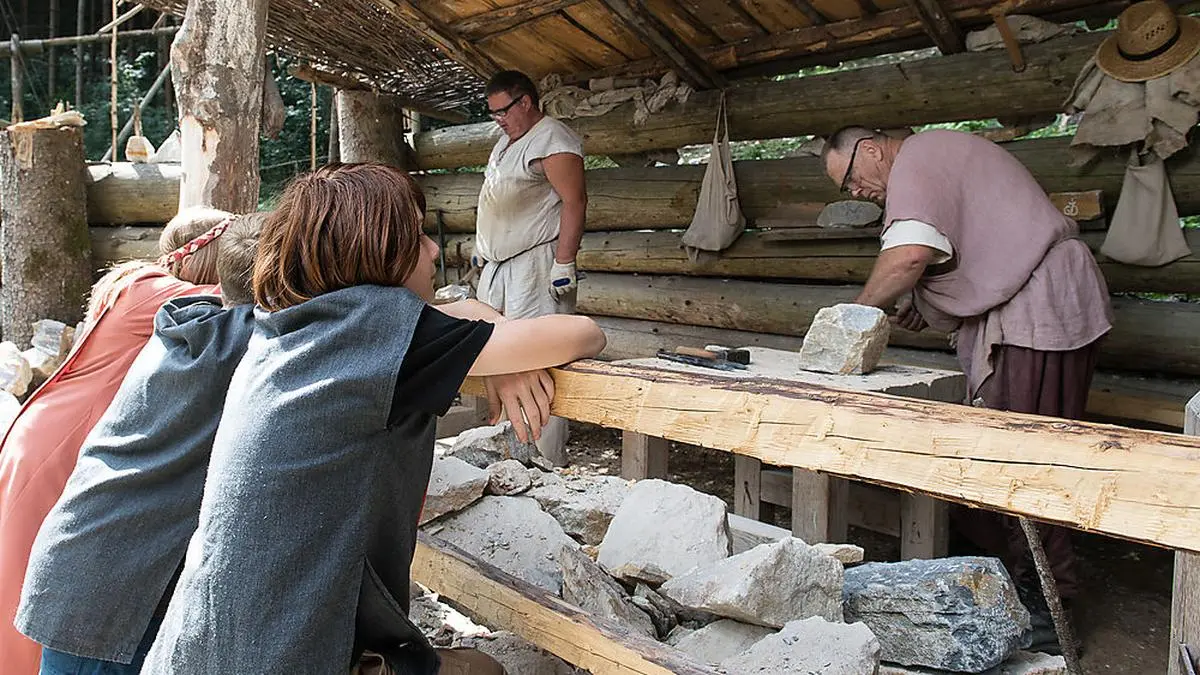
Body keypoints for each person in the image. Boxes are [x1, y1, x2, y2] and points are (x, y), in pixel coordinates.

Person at [142, 163, 606, 674]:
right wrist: (500, 346)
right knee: (486, 670)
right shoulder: (378, 324)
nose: (434, 251)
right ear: (376, 251)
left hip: (211, 642)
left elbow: (459, 312)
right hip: (286, 653)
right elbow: (583, 333)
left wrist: (488, 337)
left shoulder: (294, 322)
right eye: (416, 236)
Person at [821, 126, 1113, 648]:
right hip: (1035, 309)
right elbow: (961, 255)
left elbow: (909, 255)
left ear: (870, 149)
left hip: (1039, 310)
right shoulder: (937, 162)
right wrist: (920, 302)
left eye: (850, 181)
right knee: (1003, 455)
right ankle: (1002, 584)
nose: (856, 194)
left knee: (1024, 459)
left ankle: (1049, 607)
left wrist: (853, 319)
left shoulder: (920, 156)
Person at [14, 212, 268, 675]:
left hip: (75, 440)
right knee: (64, 612)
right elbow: (251, 305)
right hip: (63, 441)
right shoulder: (162, 296)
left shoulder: (163, 298)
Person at [472, 69, 587, 466]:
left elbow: (575, 202)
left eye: (503, 110)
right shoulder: (505, 142)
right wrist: (482, 247)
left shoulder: (553, 140)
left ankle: (543, 460)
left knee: (536, 359)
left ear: (525, 102)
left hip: (535, 267)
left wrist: (564, 262)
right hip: (499, 267)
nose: (498, 119)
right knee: (498, 354)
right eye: (492, 113)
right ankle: (503, 452)